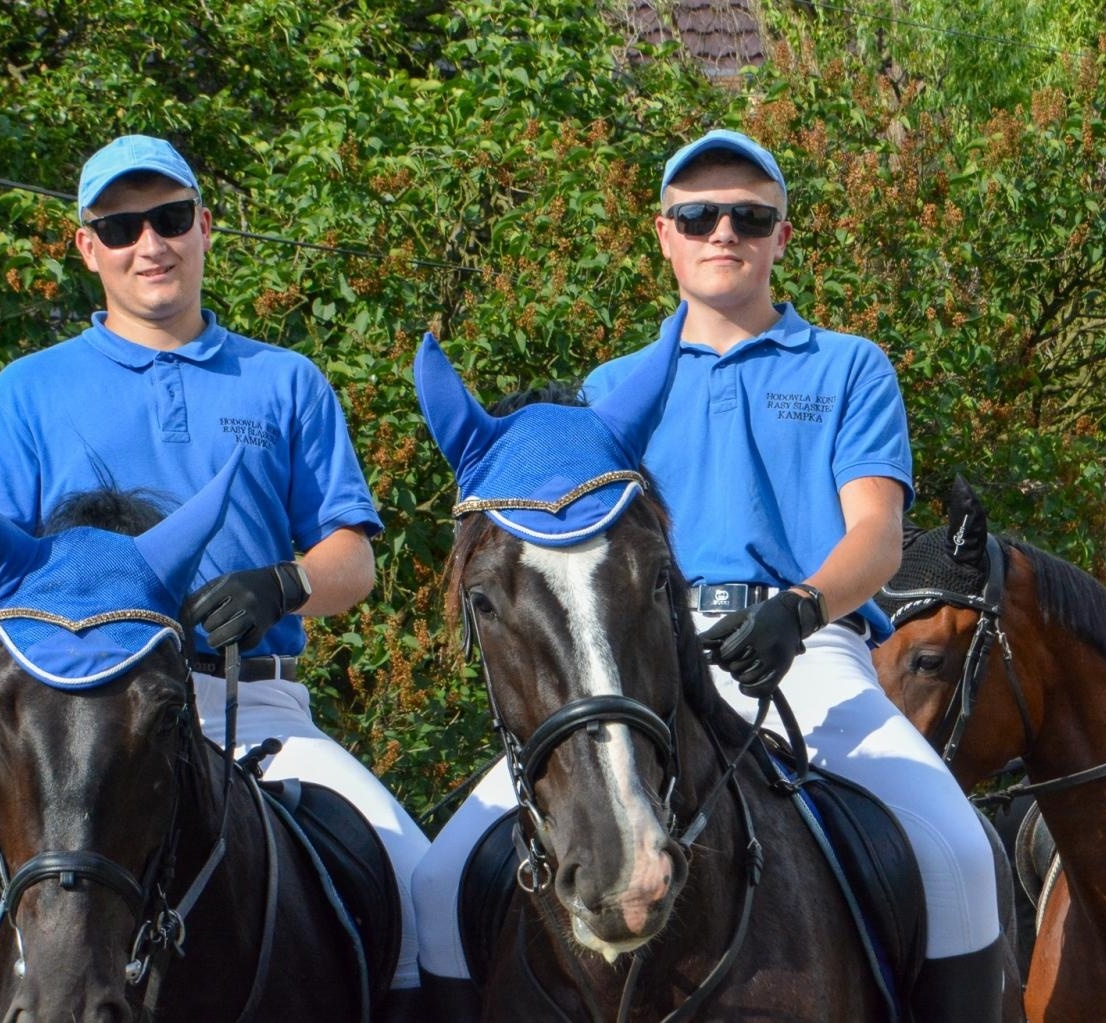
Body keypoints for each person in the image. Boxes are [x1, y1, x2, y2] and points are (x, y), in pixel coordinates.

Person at [411, 129, 1004, 1018]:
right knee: (437, 877)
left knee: (957, 852)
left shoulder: (848, 366)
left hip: (807, 652)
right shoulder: (613, 386)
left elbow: (878, 535)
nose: (722, 231)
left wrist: (801, 611)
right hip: (644, 655)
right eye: (697, 215)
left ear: (781, 236)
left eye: (748, 216)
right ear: (664, 233)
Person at [0, 135, 429, 1020]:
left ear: (205, 227)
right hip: (65, 719)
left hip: (246, 703)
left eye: (168, 219)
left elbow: (351, 557)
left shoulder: (286, 380)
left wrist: (279, 585)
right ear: (88, 248)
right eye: (120, 227)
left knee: (413, 869)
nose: (148, 244)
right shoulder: (27, 389)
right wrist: (78, 613)